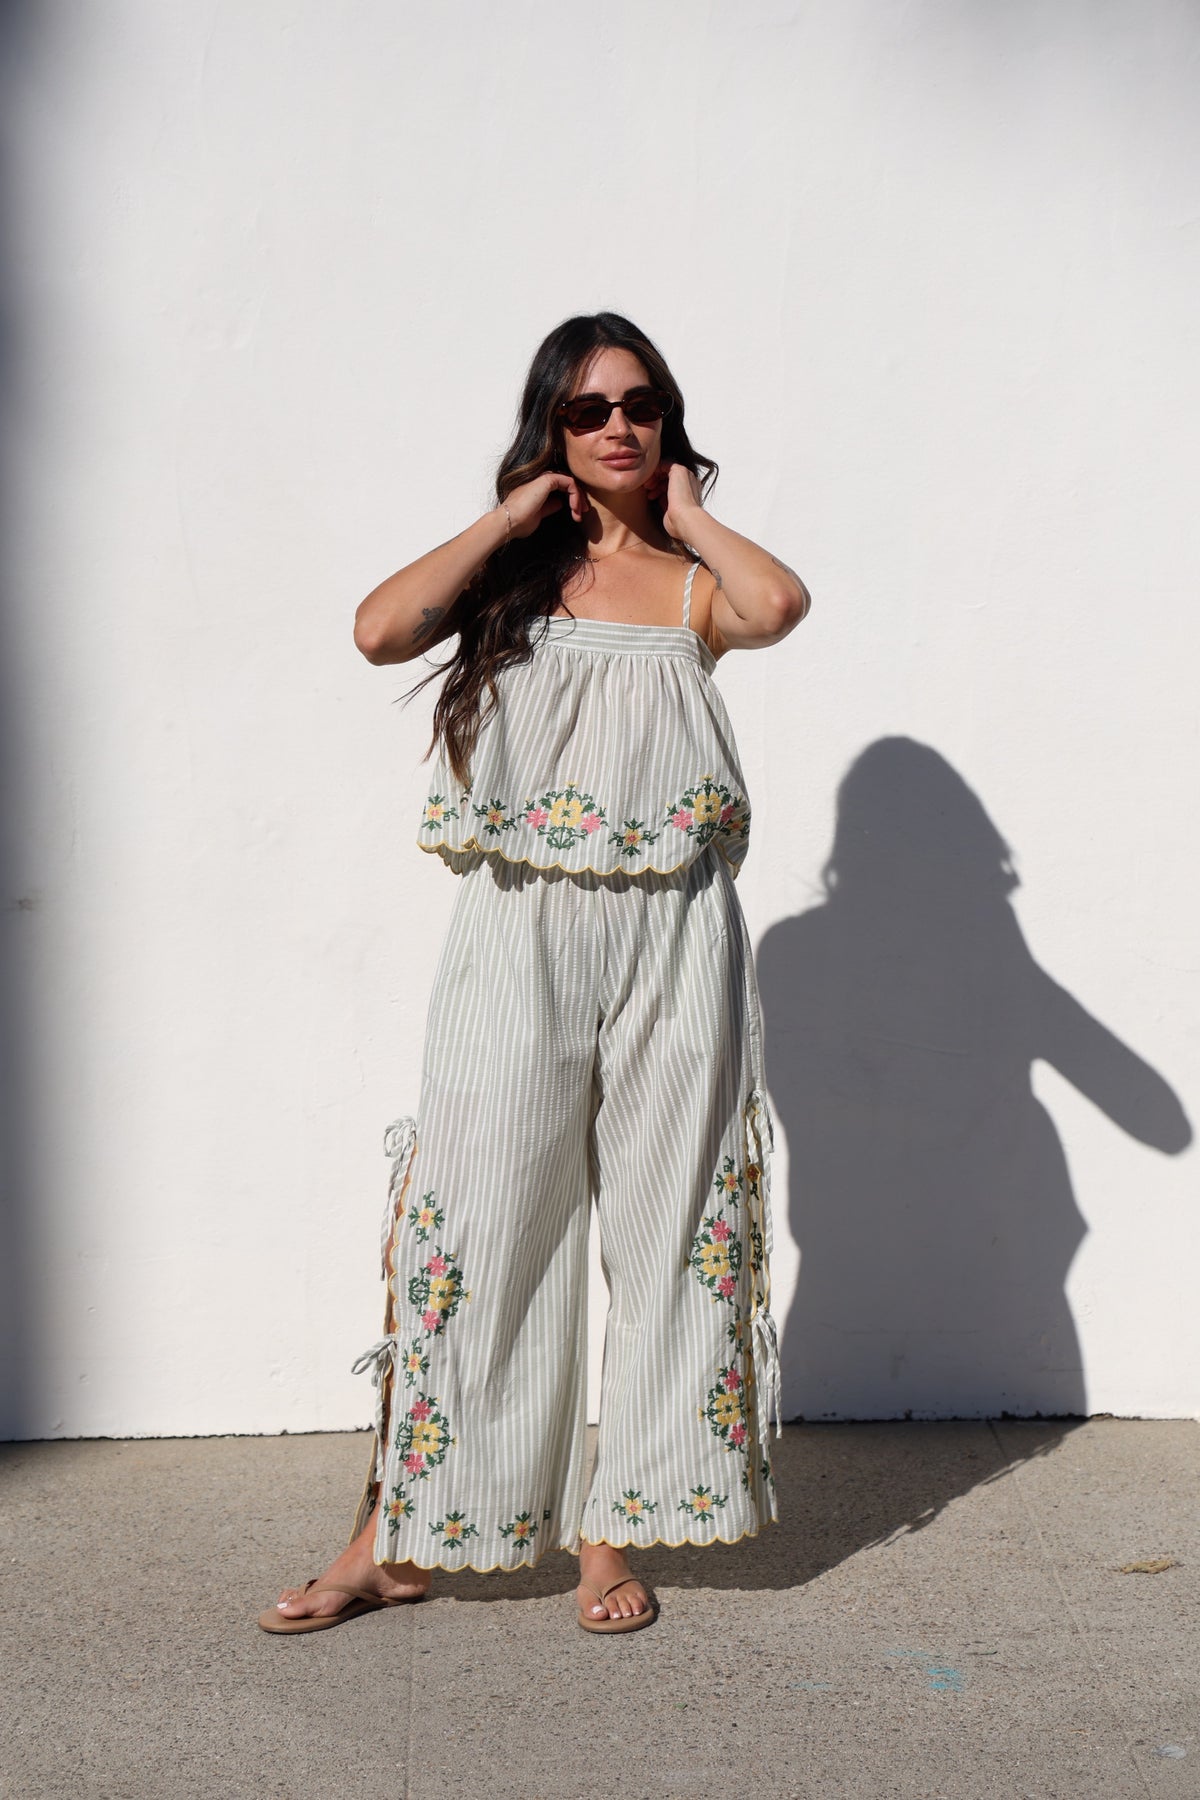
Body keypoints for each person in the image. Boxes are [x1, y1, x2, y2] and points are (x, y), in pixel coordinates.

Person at [258, 311, 811, 1638]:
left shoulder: (692, 591)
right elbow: (380, 630)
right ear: (549, 436)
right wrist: (511, 524)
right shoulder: (513, 590)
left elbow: (780, 603)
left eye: (640, 405)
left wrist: (683, 510)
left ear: (667, 426)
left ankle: (609, 1538)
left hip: (677, 939)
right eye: (586, 410)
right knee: (475, 1218)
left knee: (665, 1228)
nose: (615, 425)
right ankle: (393, 1533)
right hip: (517, 934)